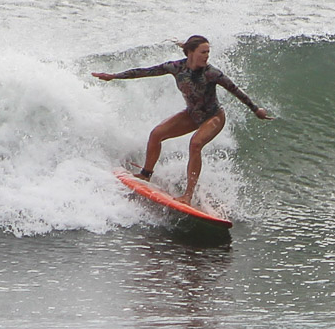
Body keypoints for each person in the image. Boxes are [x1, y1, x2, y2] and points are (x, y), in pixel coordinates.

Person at [92, 35, 273, 206]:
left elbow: (235, 90)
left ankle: (188, 195)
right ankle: (145, 174)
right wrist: (114, 76)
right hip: (192, 114)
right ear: (191, 52)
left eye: (208, 52)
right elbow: (145, 72)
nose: (207, 56)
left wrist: (256, 109)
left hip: (214, 116)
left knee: (195, 144)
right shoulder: (175, 67)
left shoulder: (212, 73)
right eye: (203, 52)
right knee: (156, 134)